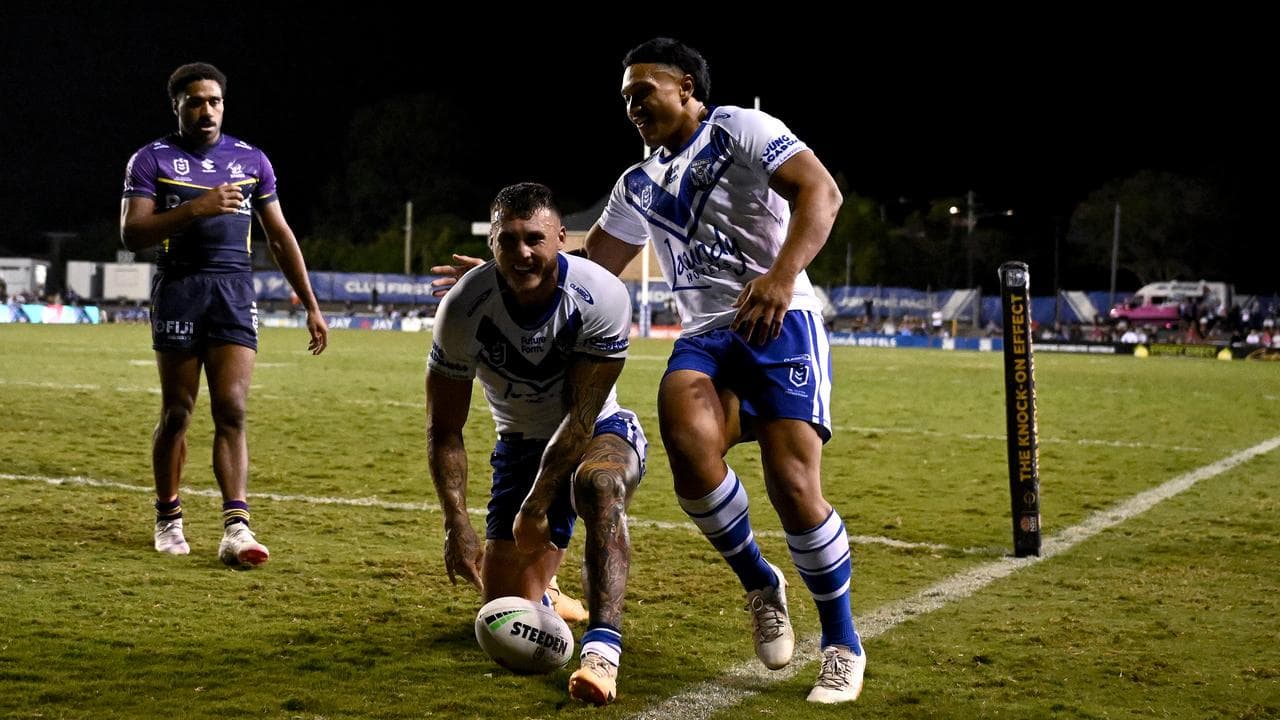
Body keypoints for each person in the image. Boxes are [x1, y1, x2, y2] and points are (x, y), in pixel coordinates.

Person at [430, 38, 866, 704]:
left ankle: (841, 643)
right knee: (688, 448)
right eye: (626, 98)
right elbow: (592, 259)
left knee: (792, 486)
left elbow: (822, 193)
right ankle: (759, 581)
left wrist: (781, 277)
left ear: (687, 86)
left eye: (645, 91)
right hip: (703, 334)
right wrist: (507, 269)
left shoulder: (741, 129)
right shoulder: (637, 183)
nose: (633, 106)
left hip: (780, 319)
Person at [426, 182, 645, 706]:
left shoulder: (601, 295)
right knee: (502, 613)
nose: (523, 252)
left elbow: (582, 416)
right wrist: (457, 523)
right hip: (519, 443)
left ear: (561, 239)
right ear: (492, 243)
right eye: (509, 241)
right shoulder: (463, 308)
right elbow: (445, 429)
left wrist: (537, 502)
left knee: (600, 484)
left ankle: (602, 651)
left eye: (535, 239)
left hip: (595, 432)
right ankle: (546, 590)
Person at [120, 62, 328, 569]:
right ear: (177, 106)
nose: (206, 110)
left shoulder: (251, 160)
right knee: (177, 413)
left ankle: (236, 526)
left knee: (232, 408)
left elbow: (280, 236)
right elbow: (132, 234)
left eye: (213, 101)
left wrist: (311, 304)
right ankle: (168, 515)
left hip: (234, 291)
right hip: (180, 289)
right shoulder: (152, 159)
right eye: (194, 101)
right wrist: (197, 208)